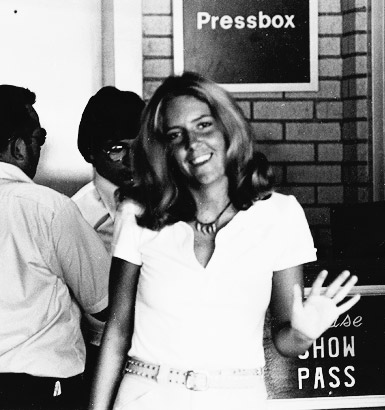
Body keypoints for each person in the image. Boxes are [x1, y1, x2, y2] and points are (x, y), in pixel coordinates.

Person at [89, 72, 360, 410]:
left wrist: (304, 333)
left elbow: (284, 337)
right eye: (176, 135)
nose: (193, 144)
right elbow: (116, 332)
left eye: (203, 126)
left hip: (237, 397)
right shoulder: (140, 213)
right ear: (164, 150)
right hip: (147, 395)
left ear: (227, 128)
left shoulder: (280, 215)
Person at [0, 85, 110, 410]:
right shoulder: (47, 208)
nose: (37, 149)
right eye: (39, 138)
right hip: (39, 389)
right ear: (19, 147)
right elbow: (103, 303)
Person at [72, 86, 145, 391]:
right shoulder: (76, 213)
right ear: (90, 151)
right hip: (98, 350)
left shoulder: (167, 201)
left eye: (138, 146)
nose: (131, 159)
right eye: (116, 149)